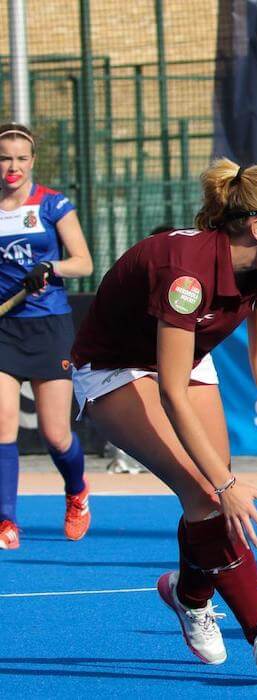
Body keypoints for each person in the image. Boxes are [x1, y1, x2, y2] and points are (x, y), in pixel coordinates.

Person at [70, 158, 257, 681]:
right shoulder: (186, 273)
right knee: (208, 492)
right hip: (115, 367)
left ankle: (188, 595)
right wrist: (226, 482)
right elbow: (172, 392)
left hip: (181, 357)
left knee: (207, 495)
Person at [0, 123, 94, 550]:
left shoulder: (54, 204)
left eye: (21, 158)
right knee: (2, 426)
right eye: (5, 158)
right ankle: (6, 521)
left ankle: (76, 492)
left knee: (57, 435)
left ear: (33, 161)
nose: (12, 167)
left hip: (49, 326)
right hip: (4, 329)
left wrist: (51, 268)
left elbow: (83, 263)